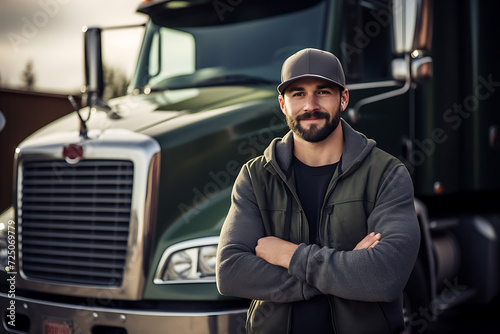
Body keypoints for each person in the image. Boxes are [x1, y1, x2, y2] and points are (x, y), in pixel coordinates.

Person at [216, 48, 420, 334]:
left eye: (323, 92)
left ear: (344, 98)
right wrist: (348, 271)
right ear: (283, 104)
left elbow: (385, 275)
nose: (310, 105)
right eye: (298, 94)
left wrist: (289, 255)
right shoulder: (256, 176)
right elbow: (231, 272)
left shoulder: (386, 173)